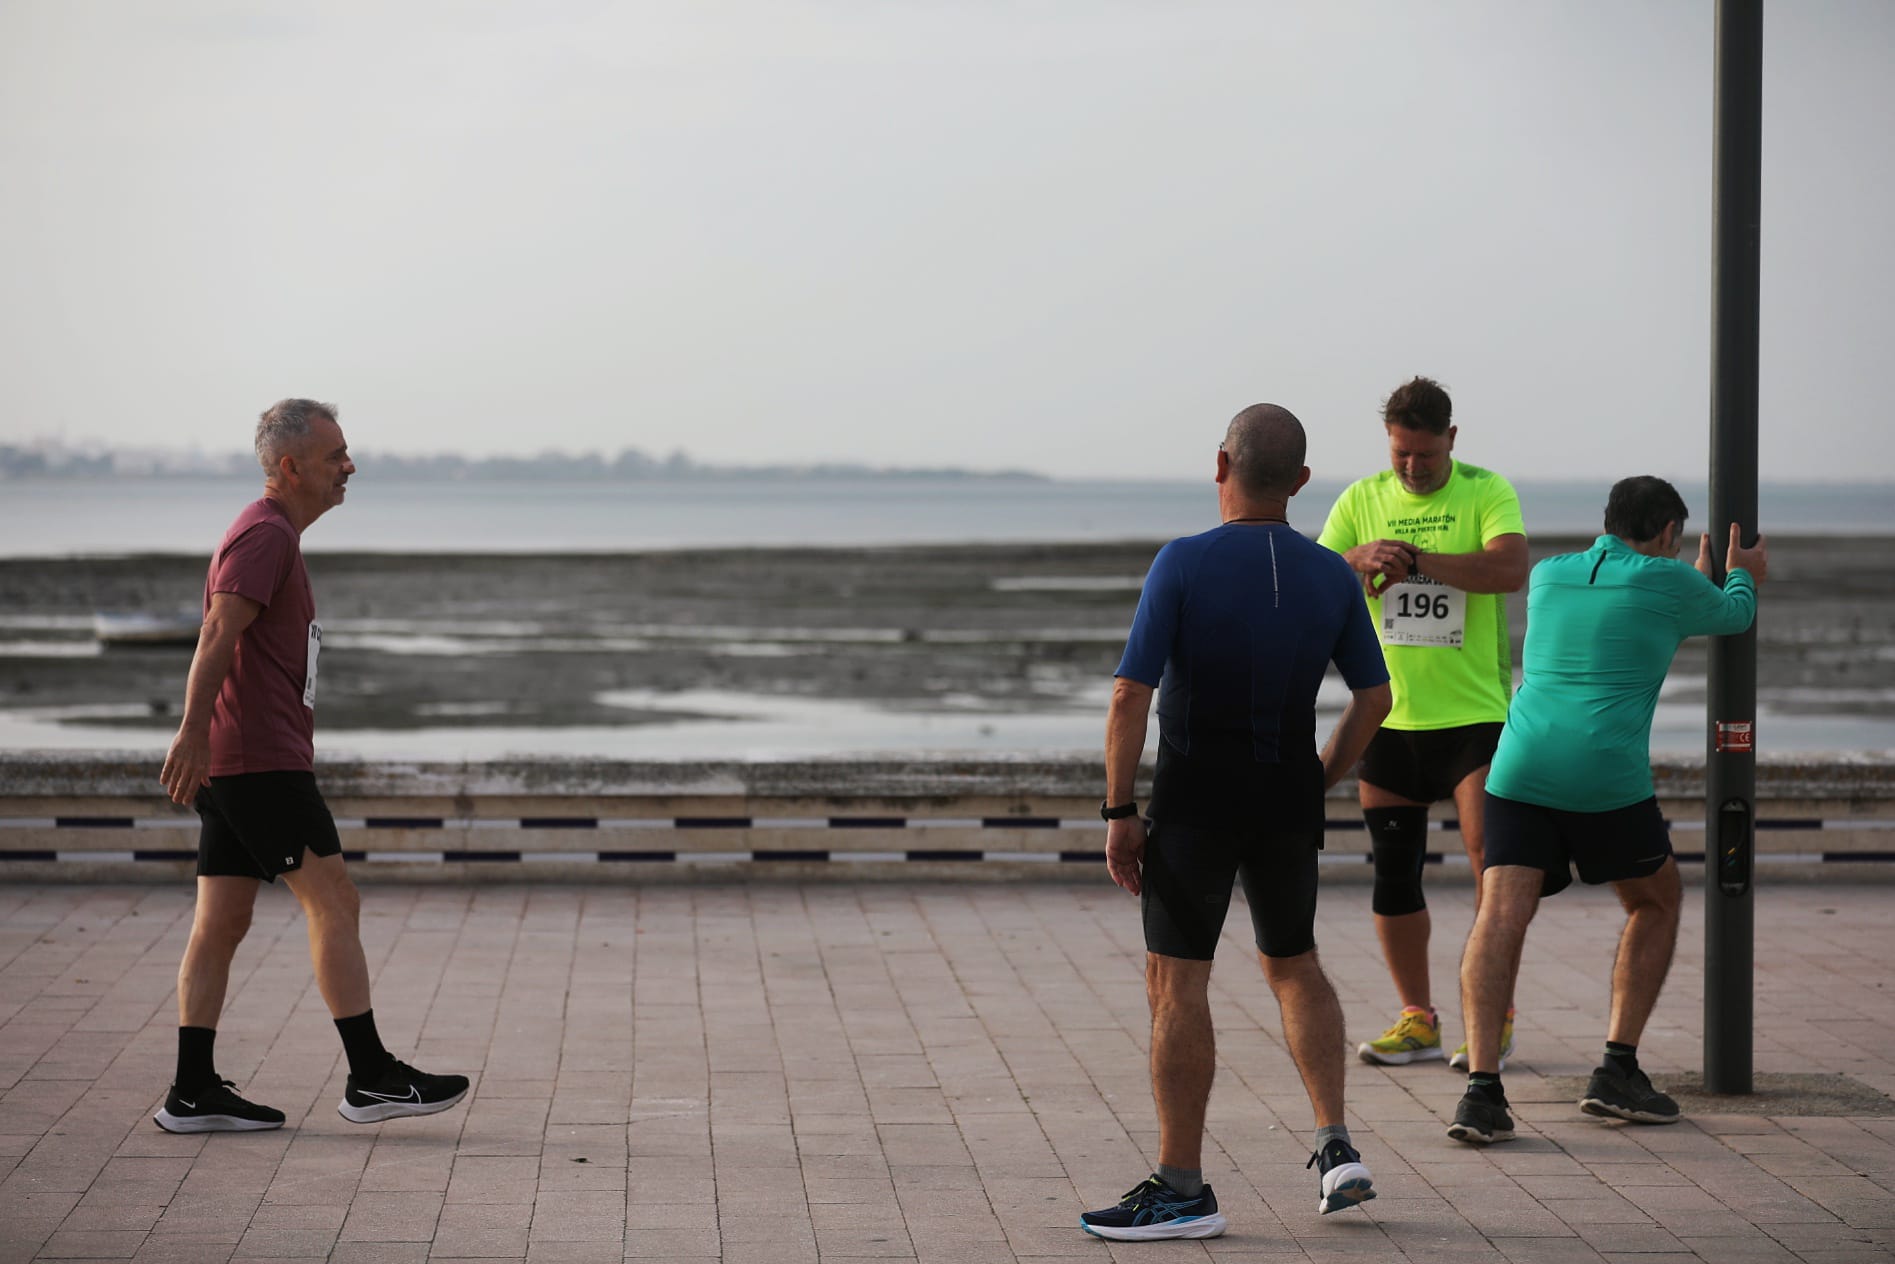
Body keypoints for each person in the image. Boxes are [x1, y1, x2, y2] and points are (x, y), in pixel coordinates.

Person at [1080, 404, 1393, 1242]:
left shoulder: (1182, 563)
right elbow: (1375, 698)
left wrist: (1118, 811)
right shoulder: (1331, 573)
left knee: (1177, 984)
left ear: (1219, 464)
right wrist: (1317, 778)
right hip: (1284, 797)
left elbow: (1128, 694)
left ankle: (1182, 1188)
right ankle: (1335, 1148)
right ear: (1298, 481)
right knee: (1294, 966)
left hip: (1195, 803)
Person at [153, 399, 468, 1134]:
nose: (349, 467)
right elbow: (216, 632)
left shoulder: (268, 535)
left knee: (221, 922)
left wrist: (205, 742)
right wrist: (191, 734)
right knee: (334, 896)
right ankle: (372, 1077)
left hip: (241, 760)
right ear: (291, 467)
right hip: (258, 762)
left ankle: (192, 1091)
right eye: (335, 456)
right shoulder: (264, 536)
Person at [1447, 477, 1764, 1144]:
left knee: (1498, 913)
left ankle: (1480, 1091)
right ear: (1670, 536)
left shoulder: (1549, 574)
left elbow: (1632, 607)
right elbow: (1731, 614)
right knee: (1654, 901)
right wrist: (1741, 575)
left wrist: (1690, 581)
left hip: (1517, 767)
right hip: (1602, 776)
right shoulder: (1666, 582)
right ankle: (1616, 1070)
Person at [1317, 376, 1528, 1070]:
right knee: (1394, 873)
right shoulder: (1360, 499)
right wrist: (1357, 558)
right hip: (1388, 718)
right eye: (1400, 455)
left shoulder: (1483, 489)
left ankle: (1489, 1017)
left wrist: (1416, 562)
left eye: (1425, 456)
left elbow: (1509, 570)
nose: (1411, 468)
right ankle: (1417, 1019)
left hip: (1474, 718)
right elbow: (1320, 578)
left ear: (1451, 441)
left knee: (1488, 872)